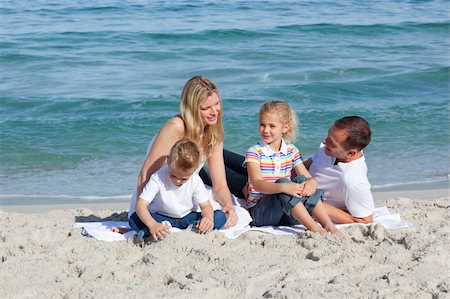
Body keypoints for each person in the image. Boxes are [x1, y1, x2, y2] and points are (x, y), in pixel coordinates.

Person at [128, 76, 237, 228]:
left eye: (217, 104)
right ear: (192, 109)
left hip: (186, 193)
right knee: (141, 222)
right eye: (206, 108)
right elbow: (145, 175)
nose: (214, 112)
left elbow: (219, 185)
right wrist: (142, 215)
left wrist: (228, 206)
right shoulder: (176, 127)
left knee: (230, 215)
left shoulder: (214, 132)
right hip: (159, 196)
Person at [244, 100, 342, 236]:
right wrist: (283, 187)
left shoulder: (291, 150)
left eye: (272, 126)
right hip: (262, 213)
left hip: (288, 213)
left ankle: (329, 226)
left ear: (285, 128)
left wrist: (311, 183)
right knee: (283, 182)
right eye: (262, 125)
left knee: (302, 179)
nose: (266, 130)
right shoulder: (254, 152)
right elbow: (258, 184)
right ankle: (314, 227)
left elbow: (306, 176)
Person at [128, 138, 227, 241]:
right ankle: (155, 229)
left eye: (184, 179)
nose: (178, 181)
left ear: (194, 170)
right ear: (168, 161)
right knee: (134, 218)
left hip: (187, 218)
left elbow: (206, 206)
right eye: (173, 175)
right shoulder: (158, 177)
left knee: (220, 216)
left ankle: (188, 228)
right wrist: (152, 224)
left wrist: (208, 218)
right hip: (161, 217)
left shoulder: (195, 180)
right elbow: (140, 205)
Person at [303, 116, 374, 224]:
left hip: (305, 205)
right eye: (328, 135)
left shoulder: (352, 180)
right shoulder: (329, 148)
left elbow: (366, 220)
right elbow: (310, 163)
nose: (324, 141)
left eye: (331, 143)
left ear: (351, 153)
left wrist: (317, 205)